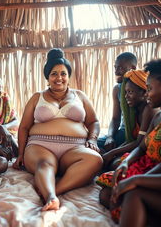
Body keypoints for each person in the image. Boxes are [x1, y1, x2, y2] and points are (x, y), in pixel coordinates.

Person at [13, 48, 102, 211]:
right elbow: (24, 127)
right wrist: (20, 154)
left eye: (63, 73)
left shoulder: (80, 96)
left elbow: (93, 121)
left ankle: (56, 190)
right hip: (41, 146)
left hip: (74, 148)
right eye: (54, 73)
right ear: (47, 77)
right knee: (44, 164)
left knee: (95, 160)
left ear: (68, 76)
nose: (59, 78)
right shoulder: (36, 97)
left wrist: (92, 139)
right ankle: (50, 197)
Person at [100, 59, 161, 221]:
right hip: (146, 168)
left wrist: (137, 180)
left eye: (149, 89)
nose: (146, 95)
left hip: (157, 172)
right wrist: (127, 162)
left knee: (121, 197)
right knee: (106, 193)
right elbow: (142, 147)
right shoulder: (158, 116)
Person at [100, 69, 158, 170]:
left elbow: (139, 143)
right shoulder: (134, 111)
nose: (126, 96)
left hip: (146, 152)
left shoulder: (149, 109)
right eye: (126, 92)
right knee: (102, 153)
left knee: (115, 164)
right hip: (137, 149)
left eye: (130, 92)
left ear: (144, 92)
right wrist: (112, 152)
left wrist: (113, 153)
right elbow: (131, 140)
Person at [97, 52, 137, 152]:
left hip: (136, 135)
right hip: (123, 132)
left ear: (133, 68)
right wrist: (110, 137)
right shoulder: (117, 89)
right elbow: (115, 119)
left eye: (120, 68)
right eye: (115, 68)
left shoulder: (141, 89)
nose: (116, 72)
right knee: (93, 143)